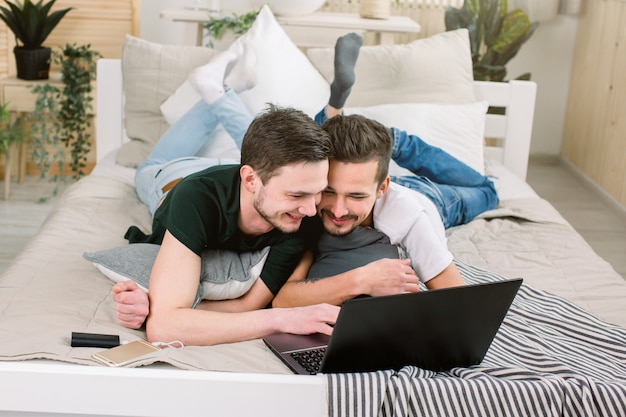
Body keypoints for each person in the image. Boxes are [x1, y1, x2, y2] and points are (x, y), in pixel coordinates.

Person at [115, 45, 339, 345]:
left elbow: (247, 307)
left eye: (318, 193)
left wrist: (161, 307)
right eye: (297, 195)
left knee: (271, 148)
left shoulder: (299, 216)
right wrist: (282, 319)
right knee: (147, 168)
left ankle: (225, 88)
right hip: (172, 179)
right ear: (250, 180)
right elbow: (165, 327)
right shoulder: (195, 200)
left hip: (237, 173)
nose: (312, 210)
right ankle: (222, 88)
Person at [272, 113, 464, 307]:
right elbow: (284, 300)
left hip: (435, 199)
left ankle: (402, 142)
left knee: (486, 192)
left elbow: (458, 300)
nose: (338, 211)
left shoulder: (408, 217)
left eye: (356, 196)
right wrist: (362, 280)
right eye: (328, 191)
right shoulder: (309, 202)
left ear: (382, 189)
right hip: (377, 183)